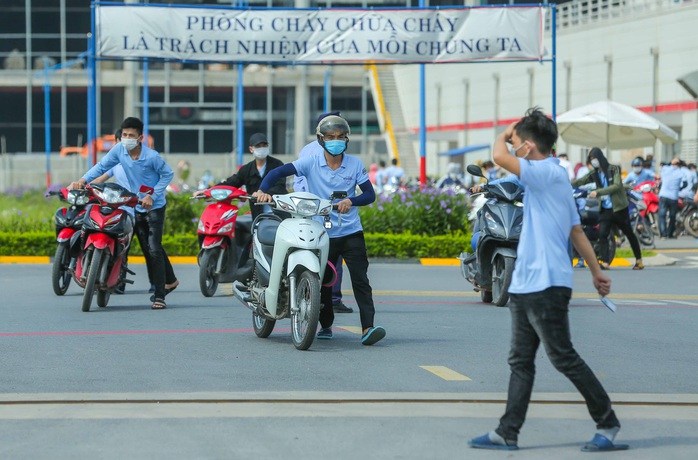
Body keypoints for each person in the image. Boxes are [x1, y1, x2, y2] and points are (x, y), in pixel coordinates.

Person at [468, 107, 625, 453]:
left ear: (527, 145)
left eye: (518, 142)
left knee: (563, 356)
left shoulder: (546, 173)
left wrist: (505, 134)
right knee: (520, 361)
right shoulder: (553, 177)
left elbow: (497, 156)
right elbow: (576, 231)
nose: (514, 146)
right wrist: (597, 271)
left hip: (547, 284)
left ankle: (608, 422)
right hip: (525, 284)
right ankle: (507, 432)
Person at [253, 114, 385, 345]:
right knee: (323, 280)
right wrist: (263, 190)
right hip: (322, 233)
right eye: (331, 137)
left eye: (341, 137)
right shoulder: (311, 162)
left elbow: (369, 194)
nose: (337, 141)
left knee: (361, 280)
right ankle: (325, 325)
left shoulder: (354, 164)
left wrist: (351, 201)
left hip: (351, 231)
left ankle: (368, 327)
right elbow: (276, 173)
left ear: (347, 139)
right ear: (321, 139)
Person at [68, 117, 175, 310]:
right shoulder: (119, 150)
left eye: (131, 135)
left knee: (153, 249)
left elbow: (168, 174)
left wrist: (152, 195)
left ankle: (160, 295)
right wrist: (82, 181)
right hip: (133, 204)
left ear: (140, 137)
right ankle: (109, 278)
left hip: (154, 206)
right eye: (124, 135)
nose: (126, 139)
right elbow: (102, 167)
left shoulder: (151, 157)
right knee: (135, 243)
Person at [292, 111, 352, 314]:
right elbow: (298, 179)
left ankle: (326, 297)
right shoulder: (310, 152)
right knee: (325, 253)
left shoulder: (335, 149)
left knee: (330, 253)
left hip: (326, 209)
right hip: (316, 210)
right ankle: (322, 296)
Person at [572, 148, 644, 270]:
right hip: (605, 209)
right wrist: (564, 182)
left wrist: (598, 192)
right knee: (603, 234)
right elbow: (581, 181)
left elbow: (616, 186)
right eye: (591, 159)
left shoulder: (614, 169)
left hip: (618, 208)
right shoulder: (594, 173)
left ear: (600, 158)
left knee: (629, 233)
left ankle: (639, 260)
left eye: (594, 158)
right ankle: (605, 262)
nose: (593, 161)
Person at [194, 133, 287, 221]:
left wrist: (265, 194)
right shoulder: (246, 170)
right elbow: (230, 183)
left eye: (264, 145)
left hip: (278, 216)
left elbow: (280, 186)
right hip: (258, 218)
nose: (262, 148)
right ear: (251, 149)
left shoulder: (277, 165)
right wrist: (208, 191)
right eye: (258, 146)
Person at [657, 157, 685, 239]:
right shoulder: (681, 172)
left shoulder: (665, 169)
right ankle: (669, 233)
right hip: (674, 197)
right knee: (672, 216)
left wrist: (671, 162)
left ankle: (663, 234)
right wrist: (678, 188)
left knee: (662, 215)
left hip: (663, 196)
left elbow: (662, 171)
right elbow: (685, 184)